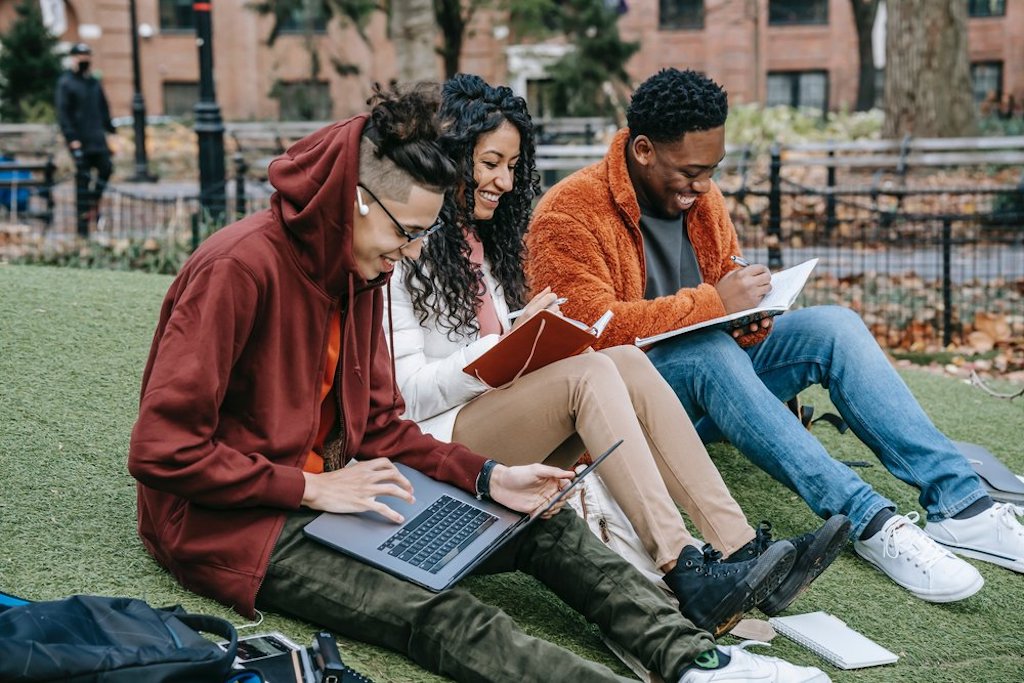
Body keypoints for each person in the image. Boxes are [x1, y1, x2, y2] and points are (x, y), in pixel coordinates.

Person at [127, 82, 828, 683]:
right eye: (403, 234)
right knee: (434, 609)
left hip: (351, 486)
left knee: (540, 523)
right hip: (244, 525)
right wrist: (312, 487)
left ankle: (697, 662)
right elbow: (161, 449)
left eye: (419, 239)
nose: (406, 255)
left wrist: (490, 477)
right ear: (359, 201)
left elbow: (381, 427)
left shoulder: (360, 268)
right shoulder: (236, 270)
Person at [526, 68, 1024, 604]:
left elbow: (724, 280)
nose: (702, 187)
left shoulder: (702, 196)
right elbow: (583, 336)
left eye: (712, 170)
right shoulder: (568, 212)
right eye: (691, 172)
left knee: (834, 326)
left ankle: (961, 506)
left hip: (715, 374)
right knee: (703, 350)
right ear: (644, 150)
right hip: (633, 404)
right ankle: (871, 521)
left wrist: (750, 313)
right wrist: (716, 305)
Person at [386, 73, 849, 637]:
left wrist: (526, 337)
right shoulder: (399, 246)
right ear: (450, 156)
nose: (504, 182)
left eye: (511, 166)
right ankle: (683, 567)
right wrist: (507, 345)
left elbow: (497, 344)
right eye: (489, 164)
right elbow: (405, 395)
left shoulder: (487, 243)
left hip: (495, 412)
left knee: (623, 361)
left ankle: (737, 549)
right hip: (437, 442)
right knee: (589, 372)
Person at [55, 42, 114, 237]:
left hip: (98, 139)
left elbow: (104, 109)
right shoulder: (66, 83)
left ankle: (91, 204)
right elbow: (64, 114)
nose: (84, 59)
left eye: (87, 55)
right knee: (82, 181)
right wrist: (72, 138)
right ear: (73, 58)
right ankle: (82, 230)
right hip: (79, 141)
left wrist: (112, 132)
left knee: (106, 168)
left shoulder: (94, 83)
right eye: (80, 56)